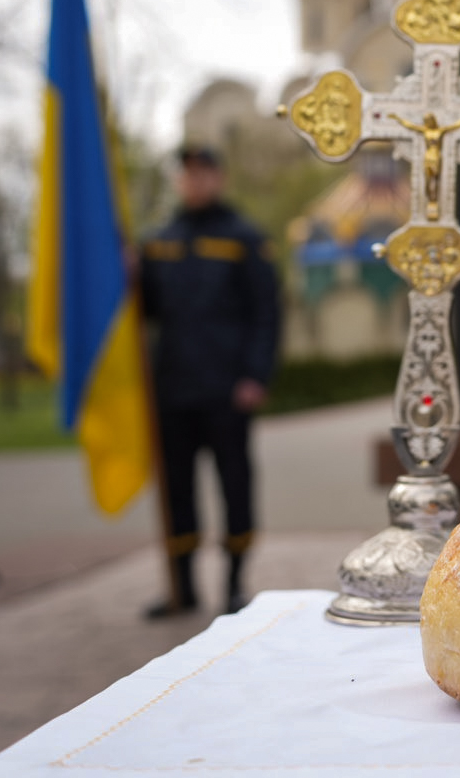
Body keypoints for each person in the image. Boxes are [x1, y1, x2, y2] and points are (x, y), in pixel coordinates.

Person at [140, 146, 280, 617]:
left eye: (202, 173)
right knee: (176, 487)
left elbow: (266, 313)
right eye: (186, 174)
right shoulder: (159, 242)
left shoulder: (243, 239)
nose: (194, 182)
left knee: (234, 484)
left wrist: (254, 375)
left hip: (226, 390)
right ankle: (183, 589)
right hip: (172, 390)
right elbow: (146, 311)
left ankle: (235, 585)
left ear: (218, 177)